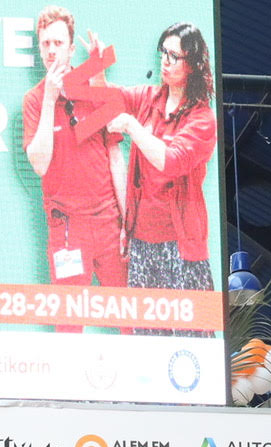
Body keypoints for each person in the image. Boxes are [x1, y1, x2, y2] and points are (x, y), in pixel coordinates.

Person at [22, 6, 125, 332]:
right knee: (68, 327)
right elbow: (39, 164)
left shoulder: (93, 88)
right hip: (67, 230)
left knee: (132, 319)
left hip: (109, 224)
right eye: (45, 44)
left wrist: (128, 221)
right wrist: (50, 100)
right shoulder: (34, 100)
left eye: (58, 43)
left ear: (70, 48)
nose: (51, 50)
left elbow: (115, 158)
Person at [111, 22, 217, 320]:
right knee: (146, 333)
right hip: (142, 243)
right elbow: (110, 96)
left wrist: (132, 126)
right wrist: (95, 71)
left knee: (190, 335)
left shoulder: (202, 118)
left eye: (174, 56)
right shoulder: (147, 98)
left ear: (193, 64)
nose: (165, 61)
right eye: (163, 53)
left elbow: (171, 161)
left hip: (181, 248)